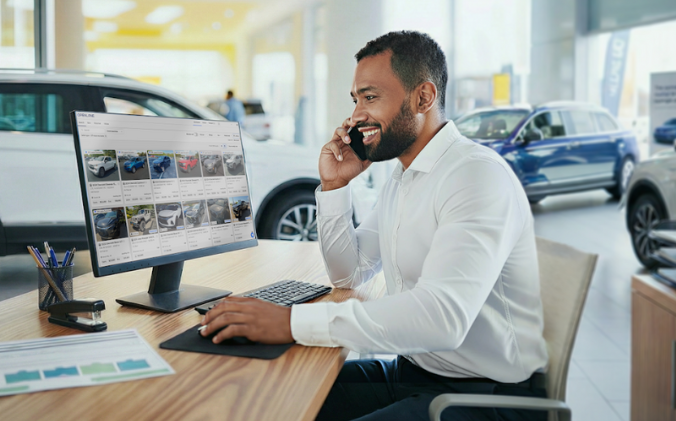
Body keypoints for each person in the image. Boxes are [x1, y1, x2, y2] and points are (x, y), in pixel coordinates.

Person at [201, 31, 549, 420]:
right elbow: (349, 274)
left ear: (423, 97)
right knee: (277, 394)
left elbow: (442, 318)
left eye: (370, 97)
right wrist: (334, 187)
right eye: (355, 100)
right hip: (416, 373)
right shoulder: (404, 176)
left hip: (489, 399)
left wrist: (291, 322)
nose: (355, 116)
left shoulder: (474, 176)